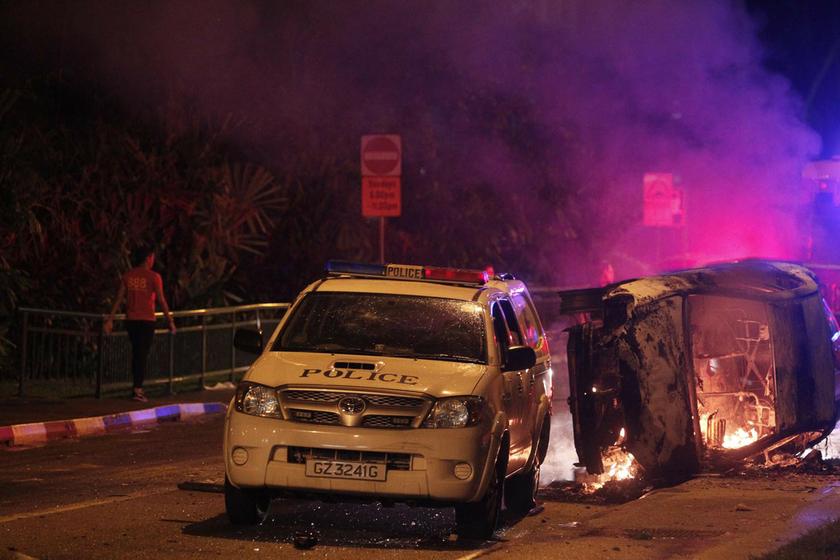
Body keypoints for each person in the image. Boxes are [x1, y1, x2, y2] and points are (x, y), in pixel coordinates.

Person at [104, 246, 176, 402]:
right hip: (147, 321)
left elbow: (118, 299)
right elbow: (161, 300)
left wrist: (110, 319)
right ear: (148, 258)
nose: (153, 261)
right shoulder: (154, 277)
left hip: (131, 320)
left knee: (138, 353)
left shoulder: (128, 276)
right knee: (142, 354)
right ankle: (138, 389)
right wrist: (170, 320)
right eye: (152, 258)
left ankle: (136, 386)